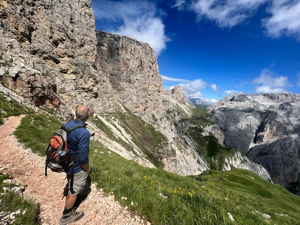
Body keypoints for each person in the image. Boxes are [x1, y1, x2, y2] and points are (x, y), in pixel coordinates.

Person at [60, 105, 91, 225]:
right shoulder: (84, 132)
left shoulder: (67, 125)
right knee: (73, 191)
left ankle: (71, 190)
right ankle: (67, 215)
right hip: (76, 166)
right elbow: (83, 156)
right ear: (87, 115)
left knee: (71, 182)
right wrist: (86, 169)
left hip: (66, 162)